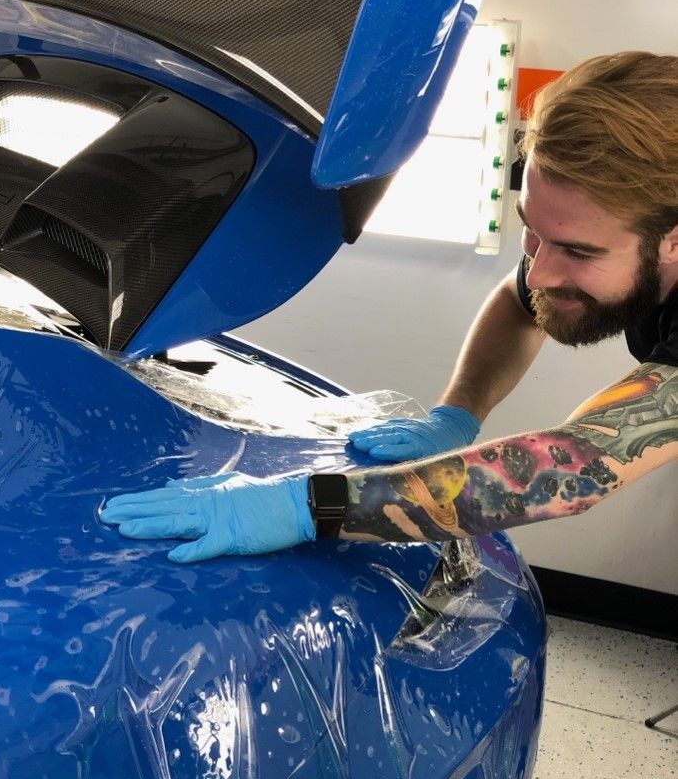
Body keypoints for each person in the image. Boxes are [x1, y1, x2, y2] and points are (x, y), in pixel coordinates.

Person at [101, 51, 678, 561]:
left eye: (578, 251)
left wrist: (308, 507)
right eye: (533, 232)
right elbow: (522, 302)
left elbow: (576, 467)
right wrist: (457, 416)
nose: (542, 270)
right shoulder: (580, 239)